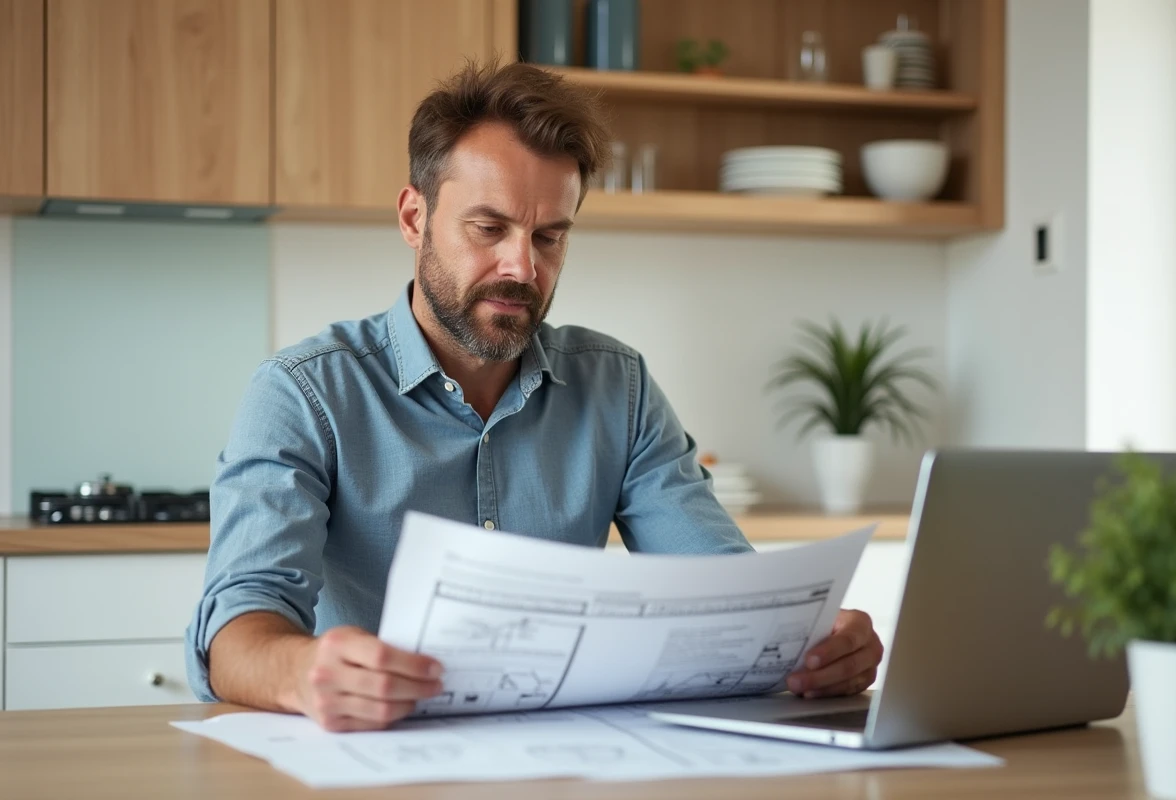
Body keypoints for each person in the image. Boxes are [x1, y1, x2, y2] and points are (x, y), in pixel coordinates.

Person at [185, 61, 883, 732]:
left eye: (550, 236)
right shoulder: (304, 393)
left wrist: (810, 644)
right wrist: (304, 670)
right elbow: (235, 633)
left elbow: (725, 597)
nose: (522, 267)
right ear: (412, 217)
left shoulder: (619, 387)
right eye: (489, 229)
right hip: (378, 759)